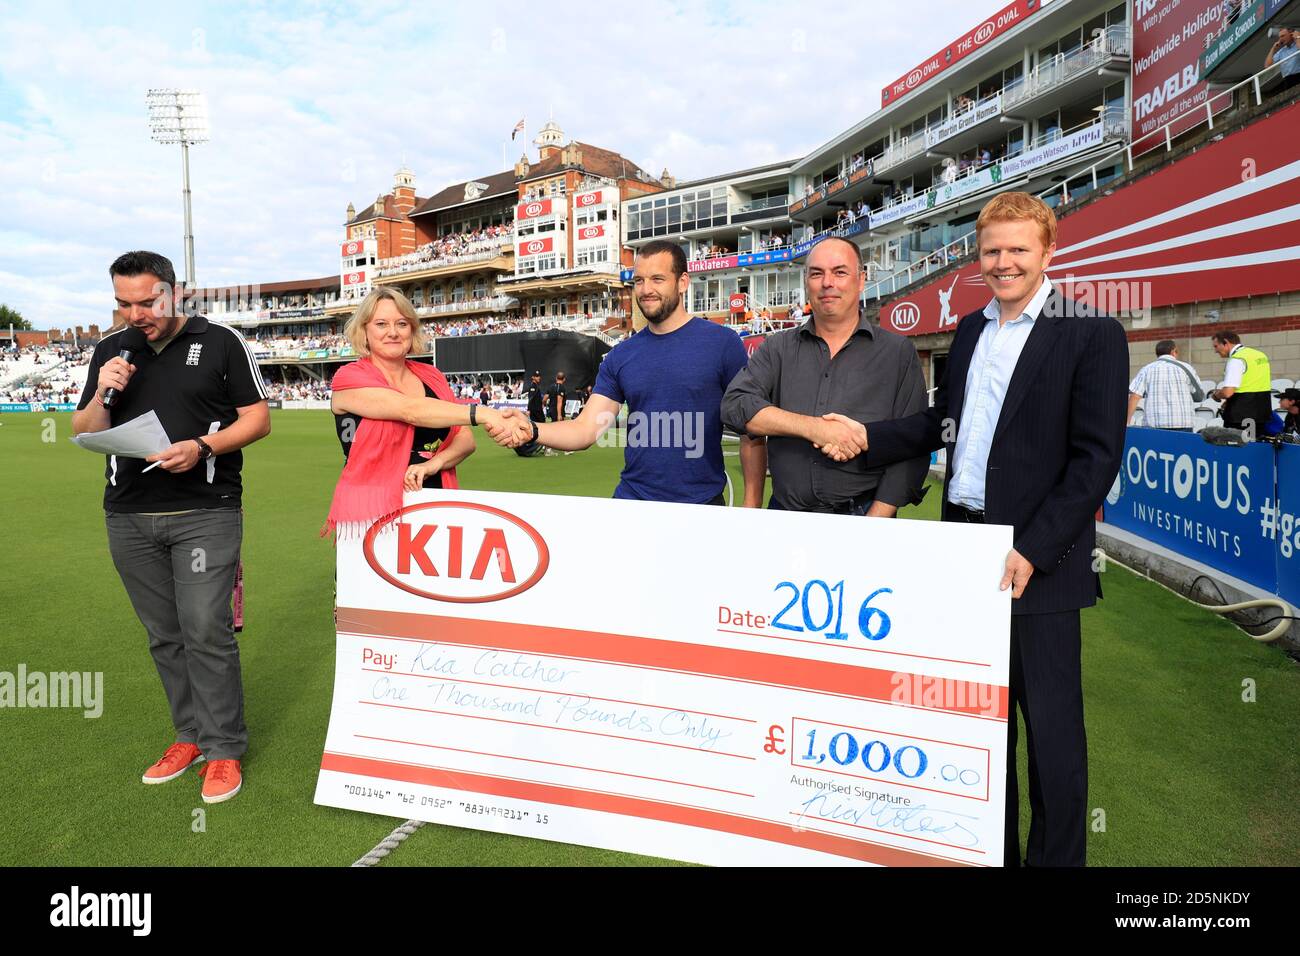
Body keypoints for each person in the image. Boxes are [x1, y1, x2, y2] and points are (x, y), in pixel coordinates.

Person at [854, 192, 1129, 866]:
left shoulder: (1091, 333)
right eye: (992, 251)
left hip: (1040, 559)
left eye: (1017, 250)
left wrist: (1033, 549)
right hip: (966, 550)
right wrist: (864, 435)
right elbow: (938, 421)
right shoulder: (973, 330)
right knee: (984, 728)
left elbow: (1095, 460)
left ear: (1049, 251)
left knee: (1054, 734)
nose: (1003, 263)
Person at [72, 250, 273, 805]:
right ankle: (189, 736)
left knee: (205, 629)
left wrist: (203, 446)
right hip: (129, 515)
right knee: (165, 636)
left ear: (175, 291)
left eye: (147, 301)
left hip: (204, 512)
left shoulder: (221, 341)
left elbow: (258, 418)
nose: (136, 314)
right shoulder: (110, 351)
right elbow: (84, 431)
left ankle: (224, 747)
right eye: (123, 303)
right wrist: (99, 393)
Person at [493, 240, 767, 506]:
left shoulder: (722, 344)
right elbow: (585, 429)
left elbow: (750, 433)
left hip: (700, 506)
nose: (646, 290)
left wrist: (752, 507)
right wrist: (532, 429)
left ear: (682, 282)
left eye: (657, 279)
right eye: (639, 280)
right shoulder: (620, 356)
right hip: (631, 505)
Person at [721, 237, 928, 516]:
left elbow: (912, 446)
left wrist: (873, 524)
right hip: (786, 515)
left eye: (840, 272)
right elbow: (735, 406)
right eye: (817, 273)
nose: (827, 282)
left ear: (861, 279)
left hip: (864, 517)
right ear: (807, 282)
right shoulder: (777, 348)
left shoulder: (897, 353)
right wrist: (815, 428)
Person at [325, 288, 511, 536]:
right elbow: (410, 410)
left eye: (401, 323)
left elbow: (464, 439)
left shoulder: (431, 376)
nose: (393, 332)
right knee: (373, 573)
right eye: (381, 324)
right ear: (364, 331)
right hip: (371, 511)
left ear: (411, 330)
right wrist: (483, 413)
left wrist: (433, 464)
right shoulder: (350, 377)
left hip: (432, 503)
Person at [1127, 340, 1205, 429]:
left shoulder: (1146, 369)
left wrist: (1127, 421)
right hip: (1183, 422)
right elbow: (1198, 394)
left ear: (1157, 354)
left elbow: (1135, 396)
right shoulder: (1187, 368)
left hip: (1155, 424)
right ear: (1173, 351)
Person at [1209, 330, 1272, 432]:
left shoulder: (1236, 359)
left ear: (1225, 342)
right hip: (1261, 412)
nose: (1215, 350)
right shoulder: (1260, 355)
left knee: (1236, 446)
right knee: (1254, 445)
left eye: (1216, 346)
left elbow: (1228, 392)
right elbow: (1251, 383)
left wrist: (1217, 394)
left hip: (1240, 416)